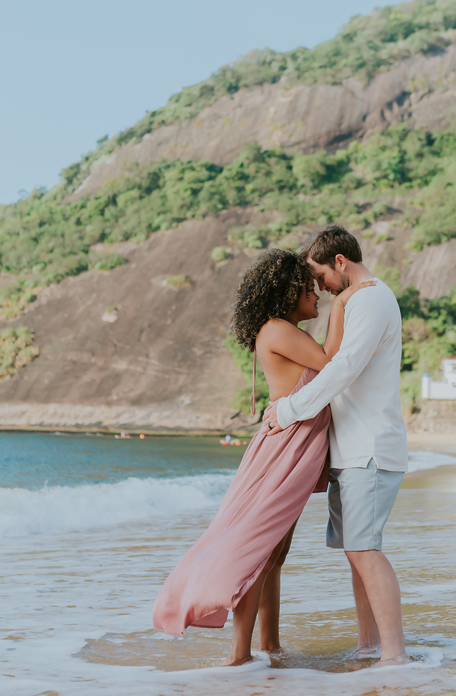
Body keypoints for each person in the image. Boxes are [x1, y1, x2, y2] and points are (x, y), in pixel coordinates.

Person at [152, 248, 374, 665]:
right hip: (283, 449)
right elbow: (330, 363)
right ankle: (239, 654)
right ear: (287, 292)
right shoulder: (276, 329)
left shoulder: (282, 330)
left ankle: (268, 647)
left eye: (320, 289)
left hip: (293, 447)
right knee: (259, 551)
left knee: (274, 555)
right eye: (309, 289)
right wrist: (344, 304)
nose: (318, 295)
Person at [263, 225, 410, 667]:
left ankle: (394, 656)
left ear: (340, 263)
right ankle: (371, 647)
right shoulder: (361, 299)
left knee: (364, 550)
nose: (322, 289)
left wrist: (288, 411)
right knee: (355, 553)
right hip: (351, 450)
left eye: (321, 277)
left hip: (369, 447)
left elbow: (342, 367)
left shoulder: (370, 298)